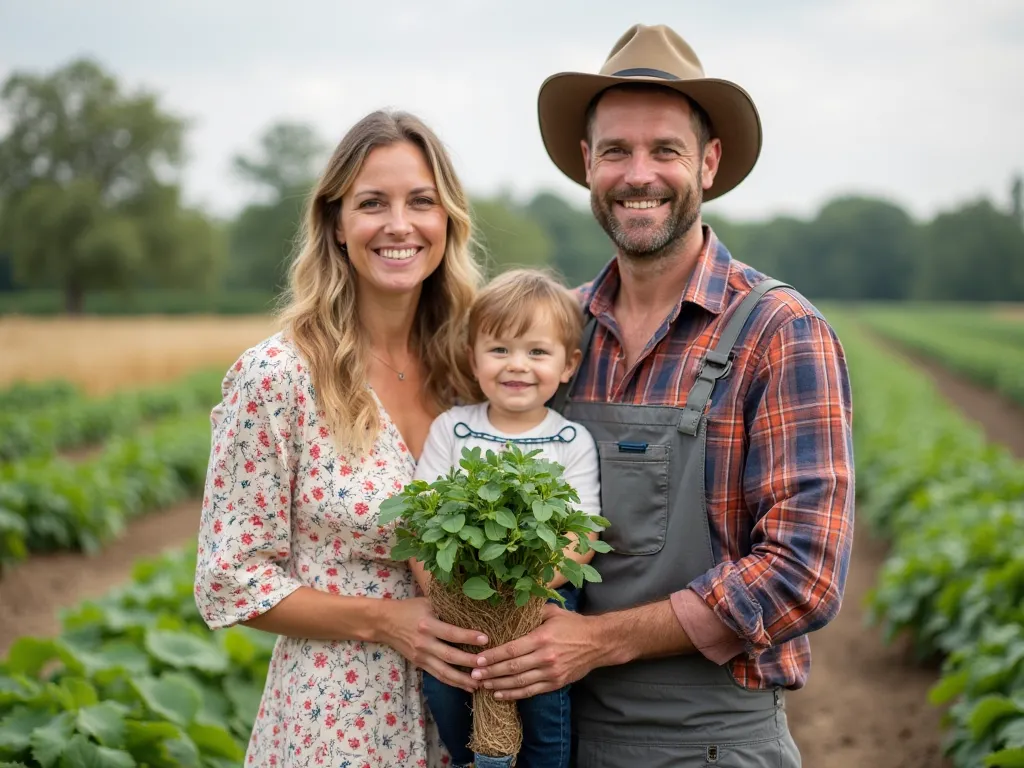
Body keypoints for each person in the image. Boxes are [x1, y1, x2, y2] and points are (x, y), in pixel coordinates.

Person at [469, 23, 856, 767]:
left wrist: (596, 641)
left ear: (708, 162)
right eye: (615, 150)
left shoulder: (780, 332)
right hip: (554, 736)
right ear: (588, 164)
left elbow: (803, 573)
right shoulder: (552, 341)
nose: (637, 173)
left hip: (708, 741)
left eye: (665, 150)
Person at [193, 109, 494, 768]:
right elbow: (230, 580)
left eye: (421, 201)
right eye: (371, 203)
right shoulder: (278, 377)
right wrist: (386, 620)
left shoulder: (473, 372)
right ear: (335, 223)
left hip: (471, 720)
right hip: (335, 723)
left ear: (447, 220)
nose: (398, 224)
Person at [411, 268, 602, 768]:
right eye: (499, 350)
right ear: (473, 358)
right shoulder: (452, 428)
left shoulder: (570, 440)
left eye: (537, 352)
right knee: (448, 683)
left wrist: (520, 595)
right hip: (460, 592)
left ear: (567, 364)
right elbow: (419, 521)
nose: (517, 365)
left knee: (544, 695)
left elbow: (583, 533)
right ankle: (470, 759)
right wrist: (443, 595)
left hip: (540, 595)